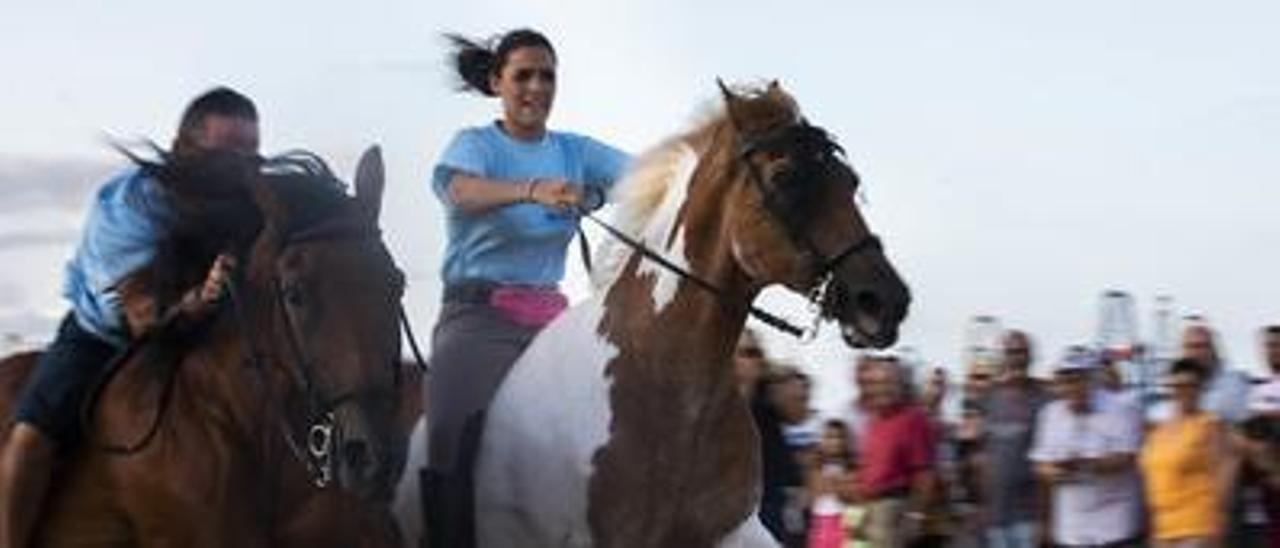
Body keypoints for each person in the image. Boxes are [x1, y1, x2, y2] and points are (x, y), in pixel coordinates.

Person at [0, 87, 256, 548]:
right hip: (109, 338)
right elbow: (145, 317)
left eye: (250, 152)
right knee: (33, 435)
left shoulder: (256, 202)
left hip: (209, 339)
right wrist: (203, 296)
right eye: (226, 152)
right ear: (185, 147)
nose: (240, 166)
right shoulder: (129, 204)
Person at [423, 28, 630, 548]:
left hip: (554, 324)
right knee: (449, 429)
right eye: (523, 76)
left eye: (547, 76)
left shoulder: (574, 150)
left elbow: (652, 176)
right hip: (476, 321)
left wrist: (597, 192)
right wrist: (531, 190)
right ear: (497, 82)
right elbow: (459, 190)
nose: (536, 87)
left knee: (620, 421)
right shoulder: (474, 145)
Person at [1030, 346, 1144, 548]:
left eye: (1077, 379)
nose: (1071, 387)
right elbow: (1040, 464)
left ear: (1093, 379)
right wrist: (1054, 472)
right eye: (1065, 380)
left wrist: (1086, 464)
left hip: (1113, 529)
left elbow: (1127, 458)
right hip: (1070, 531)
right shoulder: (1050, 414)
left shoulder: (1122, 409)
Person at [1139, 358, 1236, 547]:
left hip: (1197, 528)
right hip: (1163, 529)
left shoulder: (1209, 424)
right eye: (1177, 386)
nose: (1184, 391)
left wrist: (1219, 523)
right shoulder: (1159, 431)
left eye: (1191, 386)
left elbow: (1224, 476)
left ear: (1201, 389)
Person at [978, 330, 1050, 548]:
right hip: (995, 516)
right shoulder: (989, 396)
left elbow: (1048, 464)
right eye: (1010, 352)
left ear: (1031, 357)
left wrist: (1046, 521)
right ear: (1003, 357)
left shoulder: (1045, 397)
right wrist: (983, 508)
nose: (1016, 358)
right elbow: (985, 456)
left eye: (1021, 352)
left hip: (1029, 516)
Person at [855, 356, 936, 548]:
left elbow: (924, 472)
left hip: (893, 508)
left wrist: (916, 514)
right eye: (876, 383)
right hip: (870, 508)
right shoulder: (873, 420)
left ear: (900, 384)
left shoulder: (913, 418)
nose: (881, 389)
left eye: (887, 382)